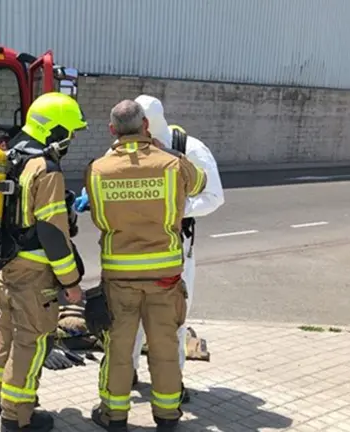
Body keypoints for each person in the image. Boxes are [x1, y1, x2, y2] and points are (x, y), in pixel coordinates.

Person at [83, 100, 207, 432]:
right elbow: (200, 183)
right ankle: (167, 418)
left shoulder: (97, 170)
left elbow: (98, 217)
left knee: (120, 348)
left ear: (112, 130)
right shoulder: (172, 164)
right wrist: (169, 152)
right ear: (146, 127)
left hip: (120, 276)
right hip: (164, 276)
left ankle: (115, 417)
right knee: (165, 347)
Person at [0, 92, 86, 432]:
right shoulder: (46, 168)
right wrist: (71, 282)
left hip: (6, 265)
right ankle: (18, 418)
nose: (71, 140)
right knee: (31, 341)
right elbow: (53, 232)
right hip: (33, 272)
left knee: (6, 330)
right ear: (56, 132)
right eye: (70, 133)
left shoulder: (10, 156)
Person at [129, 95, 225, 402]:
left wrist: (175, 209)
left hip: (176, 248)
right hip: (132, 246)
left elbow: (214, 197)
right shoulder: (127, 145)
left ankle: (172, 383)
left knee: (174, 319)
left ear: (148, 125)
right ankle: (126, 372)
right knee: (128, 316)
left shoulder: (189, 149)